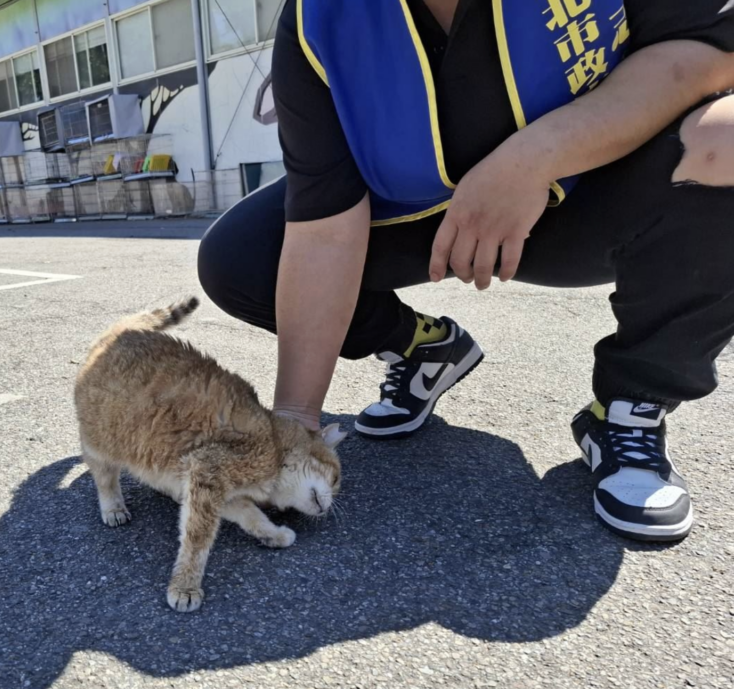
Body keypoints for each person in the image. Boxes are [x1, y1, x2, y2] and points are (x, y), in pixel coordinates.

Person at [198, 0, 734, 542]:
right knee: (242, 257)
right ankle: (424, 348)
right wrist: (294, 422)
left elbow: (709, 53)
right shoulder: (319, 19)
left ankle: (629, 403)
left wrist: (536, 157)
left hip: (588, 195)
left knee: (729, 138)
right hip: (424, 217)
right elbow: (324, 228)